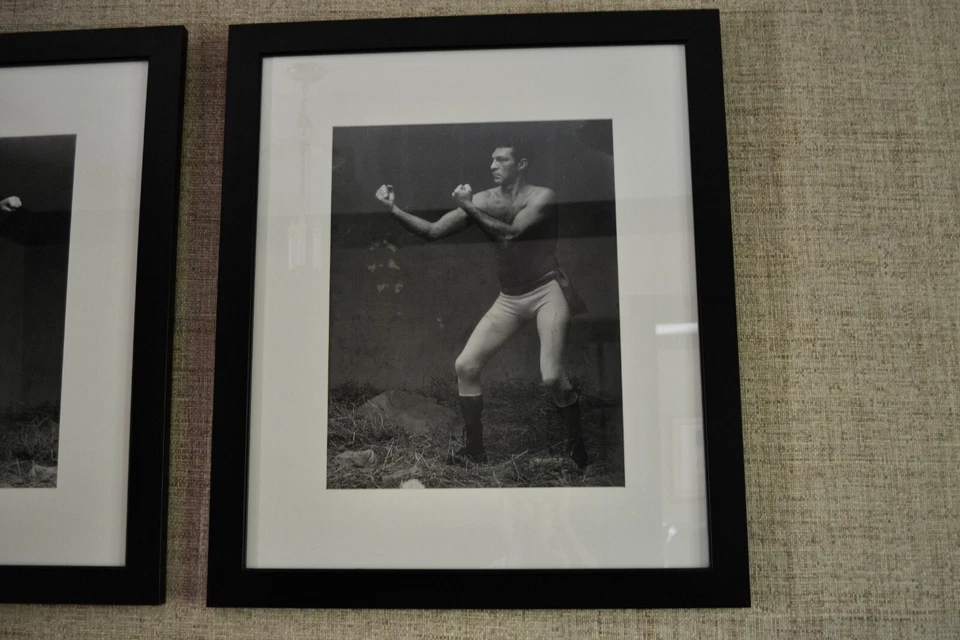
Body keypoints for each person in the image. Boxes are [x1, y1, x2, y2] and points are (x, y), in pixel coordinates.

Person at [375, 140, 589, 468]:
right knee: (466, 366)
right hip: (510, 297)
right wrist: (393, 209)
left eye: (501, 160)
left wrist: (470, 208)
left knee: (551, 376)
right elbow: (432, 232)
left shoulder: (542, 197)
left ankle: (578, 454)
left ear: (521, 164)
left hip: (548, 290)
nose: (492, 166)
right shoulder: (482, 199)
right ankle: (475, 450)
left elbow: (511, 236)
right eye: (491, 160)